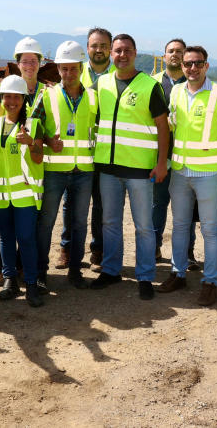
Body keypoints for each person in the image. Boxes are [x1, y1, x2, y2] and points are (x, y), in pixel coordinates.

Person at [158, 46, 217, 306]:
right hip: (180, 173)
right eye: (187, 64)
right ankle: (178, 273)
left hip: (209, 174)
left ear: (206, 66)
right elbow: (170, 129)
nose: (192, 68)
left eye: (198, 63)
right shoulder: (177, 92)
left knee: (210, 229)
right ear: (181, 66)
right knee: (180, 226)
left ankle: (210, 281)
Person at [90, 34, 169, 300]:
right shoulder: (101, 83)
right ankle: (111, 271)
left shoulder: (149, 85)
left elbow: (162, 127)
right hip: (108, 168)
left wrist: (161, 163)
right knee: (110, 222)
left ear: (136, 53)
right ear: (111, 54)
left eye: (127, 50)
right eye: (118, 51)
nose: (122, 55)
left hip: (139, 169)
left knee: (143, 226)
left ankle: (145, 275)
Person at [33, 41, 98, 290]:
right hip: (54, 171)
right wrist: (49, 141)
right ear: (58, 70)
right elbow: (32, 129)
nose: (69, 74)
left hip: (84, 171)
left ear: (81, 68)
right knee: (47, 221)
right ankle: (40, 272)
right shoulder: (46, 95)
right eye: (64, 69)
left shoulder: (93, 96)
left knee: (80, 222)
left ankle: (74, 270)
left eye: (73, 69)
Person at [0, 75, 45, 307]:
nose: (11, 101)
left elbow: (39, 160)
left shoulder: (34, 125)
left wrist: (31, 143)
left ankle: (31, 283)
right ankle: (10, 280)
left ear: (23, 99)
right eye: (7, 96)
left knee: (26, 238)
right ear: (1, 99)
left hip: (25, 193)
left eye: (16, 97)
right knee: (6, 238)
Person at [69, 27, 114, 273]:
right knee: (71, 203)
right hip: (77, 151)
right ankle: (67, 248)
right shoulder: (75, 72)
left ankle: (97, 250)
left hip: (106, 151)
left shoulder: (119, 75)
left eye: (104, 46)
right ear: (87, 48)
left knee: (101, 203)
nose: (98, 50)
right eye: (94, 45)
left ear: (110, 48)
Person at [152, 38, 197, 265]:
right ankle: (154, 248)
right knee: (157, 205)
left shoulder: (194, 84)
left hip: (185, 158)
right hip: (160, 157)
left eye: (180, 51)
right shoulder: (152, 83)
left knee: (184, 209)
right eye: (171, 51)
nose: (175, 55)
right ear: (164, 55)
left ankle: (187, 252)